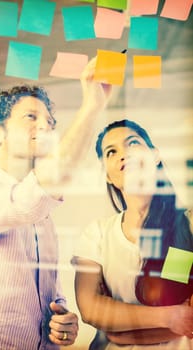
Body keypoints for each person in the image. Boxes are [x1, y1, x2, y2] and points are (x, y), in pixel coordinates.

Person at [0, 57, 113, 349]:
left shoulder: (44, 219)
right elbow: (28, 200)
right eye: (31, 117)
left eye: (50, 122)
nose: (45, 126)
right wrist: (92, 106)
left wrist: (64, 321)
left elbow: (52, 298)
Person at [73, 119, 193, 350]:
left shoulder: (187, 225)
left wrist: (119, 331)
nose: (123, 154)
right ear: (107, 175)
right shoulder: (97, 234)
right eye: (111, 151)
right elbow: (90, 309)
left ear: (155, 155)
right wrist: (170, 317)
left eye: (132, 143)